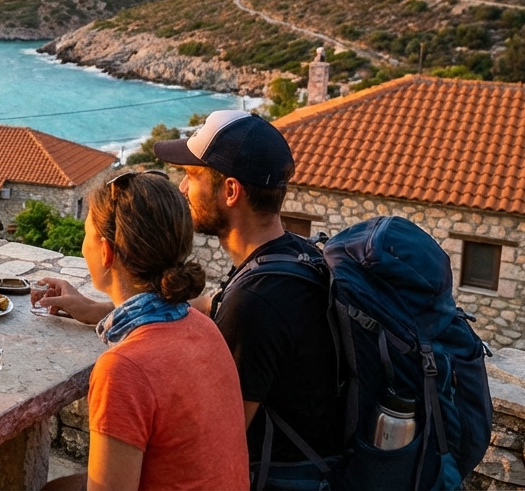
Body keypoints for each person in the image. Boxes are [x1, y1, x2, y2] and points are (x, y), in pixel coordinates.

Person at [43, 110, 342, 489]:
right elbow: (203, 305)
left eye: (192, 175)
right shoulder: (287, 261)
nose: (183, 188)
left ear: (231, 191)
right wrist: (95, 309)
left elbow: (212, 447)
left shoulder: (252, 305)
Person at [43, 171, 248, 491]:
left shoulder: (123, 369)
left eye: (86, 234)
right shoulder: (204, 328)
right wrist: (91, 309)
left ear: (106, 252)